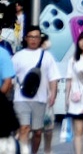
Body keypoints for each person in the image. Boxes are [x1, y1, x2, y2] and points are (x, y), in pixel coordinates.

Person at [13, 25, 61, 154]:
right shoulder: (18, 56)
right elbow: (11, 76)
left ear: (40, 39)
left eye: (36, 37)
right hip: (20, 99)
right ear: (26, 38)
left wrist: (53, 95)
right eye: (31, 37)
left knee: (38, 132)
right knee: (24, 128)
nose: (33, 39)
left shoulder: (47, 56)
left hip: (40, 99)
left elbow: (53, 78)